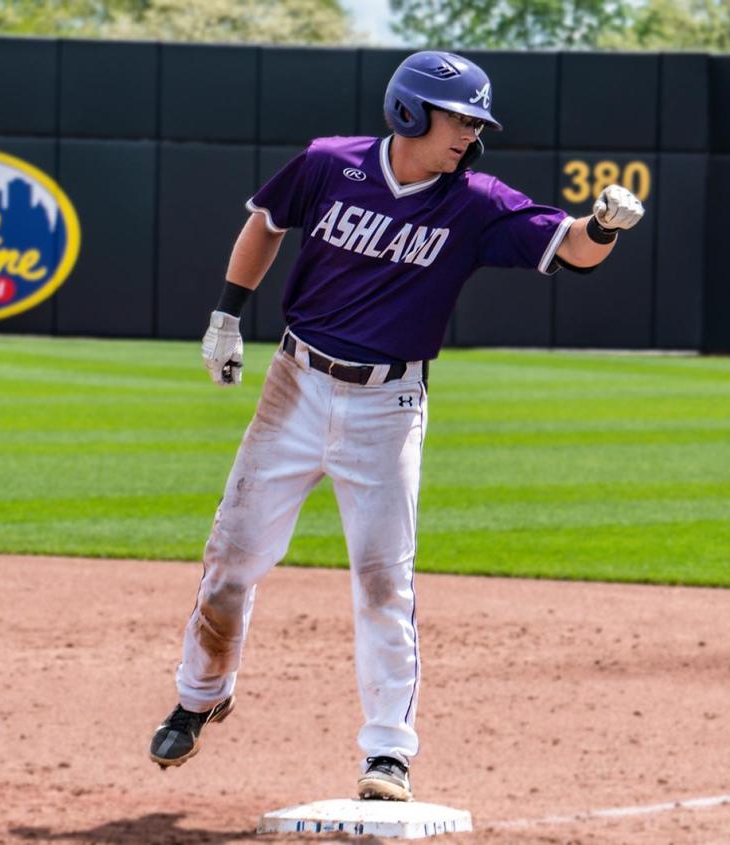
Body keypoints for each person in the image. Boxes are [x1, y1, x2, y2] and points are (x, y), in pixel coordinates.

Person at [148, 51, 644, 801]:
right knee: (232, 556)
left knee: (384, 581)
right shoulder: (328, 164)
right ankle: (198, 694)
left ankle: (387, 753)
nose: (470, 136)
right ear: (410, 112)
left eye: (478, 123)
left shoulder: (475, 202)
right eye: (460, 119)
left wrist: (604, 225)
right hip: (295, 384)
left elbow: (570, 249)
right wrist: (225, 315)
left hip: (389, 405)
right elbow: (264, 224)